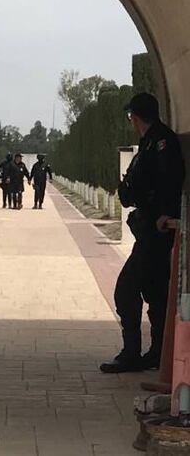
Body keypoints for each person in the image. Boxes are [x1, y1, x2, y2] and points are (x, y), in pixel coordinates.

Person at [100, 92, 184, 374]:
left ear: (135, 117)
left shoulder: (161, 142)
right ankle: (157, 352)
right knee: (155, 292)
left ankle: (133, 352)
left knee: (127, 289)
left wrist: (164, 213)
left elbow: (171, 180)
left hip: (157, 230)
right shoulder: (149, 142)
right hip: (148, 228)